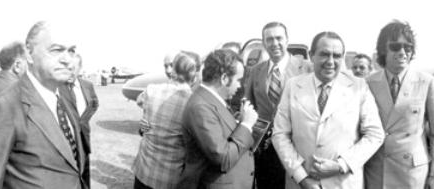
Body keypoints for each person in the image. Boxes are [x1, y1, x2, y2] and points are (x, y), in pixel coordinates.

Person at [0, 21, 88, 189]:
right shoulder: (4, 107)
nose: (68, 60)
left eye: (72, 51)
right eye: (57, 50)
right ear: (29, 54)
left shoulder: (65, 98)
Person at [272, 31, 384, 189]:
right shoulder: (293, 86)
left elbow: (375, 134)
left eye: (337, 56)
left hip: (343, 182)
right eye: (324, 54)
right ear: (311, 55)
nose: (330, 61)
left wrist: (341, 165)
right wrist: (301, 177)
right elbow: (280, 134)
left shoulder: (358, 87)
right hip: (301, 183)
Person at [364, 20, 434, 189]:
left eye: (407, 47)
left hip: (412, 173)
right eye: (395, 46)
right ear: (383, 50)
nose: (402, 52)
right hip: (378, 170)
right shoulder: (368, 83)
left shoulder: (426, 82)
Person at [178, 49, 258, 189]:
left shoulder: (210, 99)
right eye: (238, 80)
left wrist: (237, 122)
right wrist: (246, 125)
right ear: (224, 78)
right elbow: (223, 158)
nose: (240, 85)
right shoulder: (200, 107)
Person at [244, 21, 308, 188]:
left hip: (296, 146)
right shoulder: (256, 71)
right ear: (264, 42)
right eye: (269, 39)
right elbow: (248, 105)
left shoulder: (307, 69)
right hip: (264, 150)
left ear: (287, 40)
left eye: (279, 38)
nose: (274, 43)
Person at [132, 51, 200, 189]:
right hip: (169, 180)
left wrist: (148, 119)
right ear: (195, 75)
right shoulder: (193, 103)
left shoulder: (151, 90)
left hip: (143, 173)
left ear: (174, 70)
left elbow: (139, 101)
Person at [58, 54, 97, 186]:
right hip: (66, 143)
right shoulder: (57, 87)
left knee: (85, 176)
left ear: (80, 68)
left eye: (72, 68)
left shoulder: (87, 85)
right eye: (66, 67)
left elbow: (94, 103)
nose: (69, 71)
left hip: (84, 139)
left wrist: (83, 121)